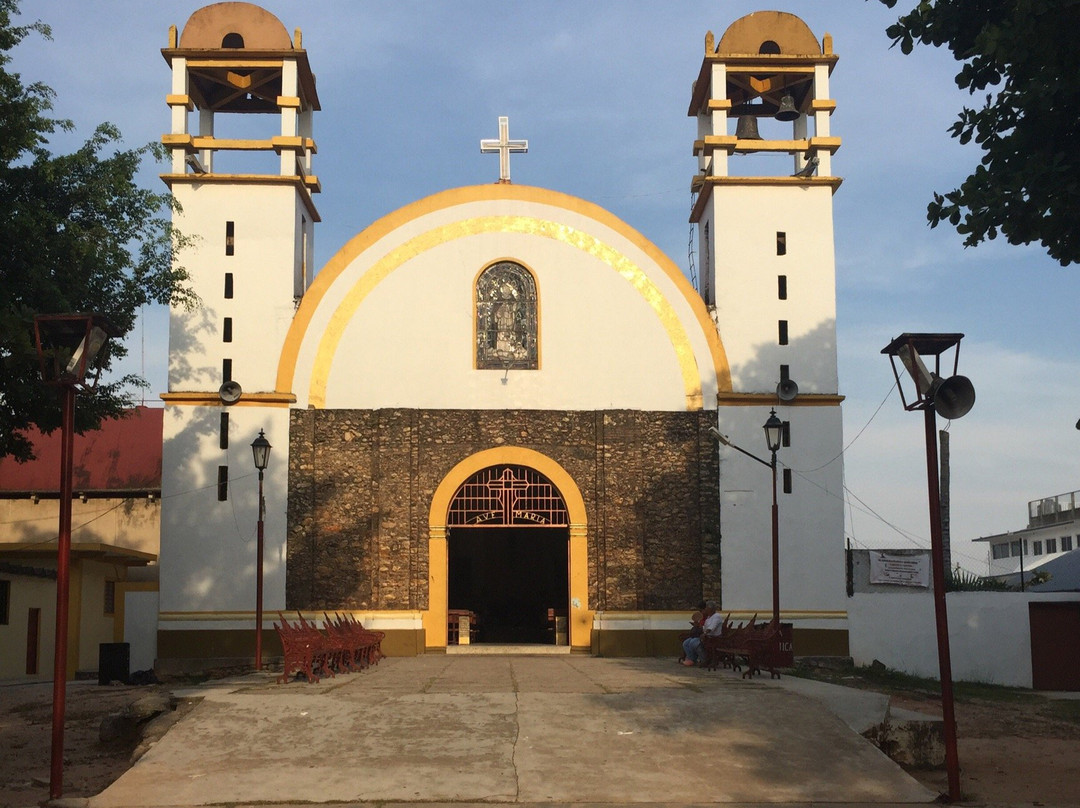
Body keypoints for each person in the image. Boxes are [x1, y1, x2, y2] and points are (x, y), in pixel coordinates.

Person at [681, 600, 723, 666]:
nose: (705, 610)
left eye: (706, 608)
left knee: (693, 642)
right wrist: (698, 626)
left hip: (712, 638)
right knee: (686, 643)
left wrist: (705, 633)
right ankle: (692, 658)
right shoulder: (709, 617)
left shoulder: (716, 616)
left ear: (710, 609)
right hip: (706, 637)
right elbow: (704, 627)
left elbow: (711, 628)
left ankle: (704, 659)